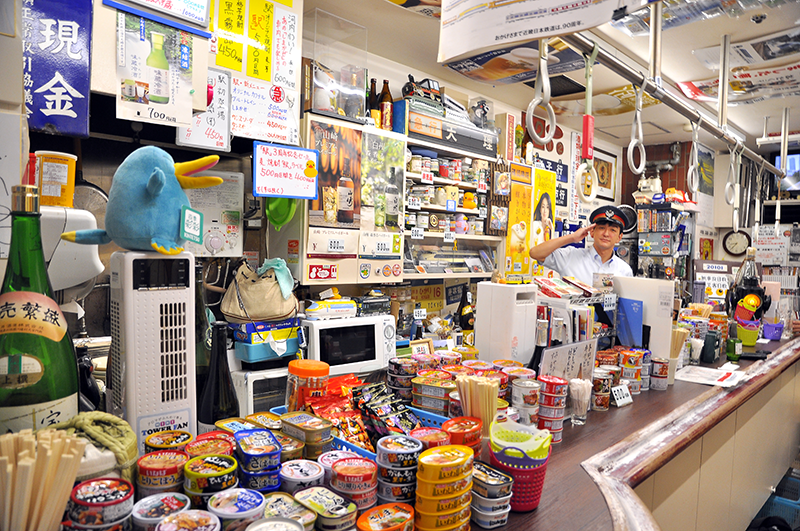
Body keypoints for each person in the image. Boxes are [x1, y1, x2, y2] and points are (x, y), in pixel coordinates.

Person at [529, 205, 633, 285]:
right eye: (601, 228)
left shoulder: (625, 270)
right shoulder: (570, 256)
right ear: (592, 232)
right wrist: (572, 237)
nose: (606, 234)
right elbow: (535, 253)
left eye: (613, 230)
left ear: (619, 237)